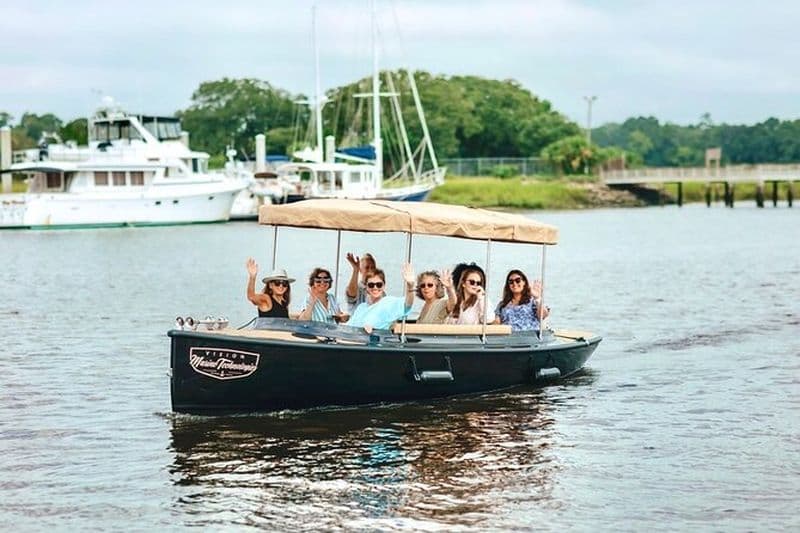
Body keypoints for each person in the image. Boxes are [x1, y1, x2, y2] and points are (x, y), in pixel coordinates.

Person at [346, 264, 415, 333]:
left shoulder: (388, 302)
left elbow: (407, 304)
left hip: (377, 341)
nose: (375, 288)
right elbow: (348, 327)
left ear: (384, 286)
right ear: (366, 287)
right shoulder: (361, 307)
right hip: (356, 340)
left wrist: (410, 286)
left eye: (379, 285)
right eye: (371, 285)